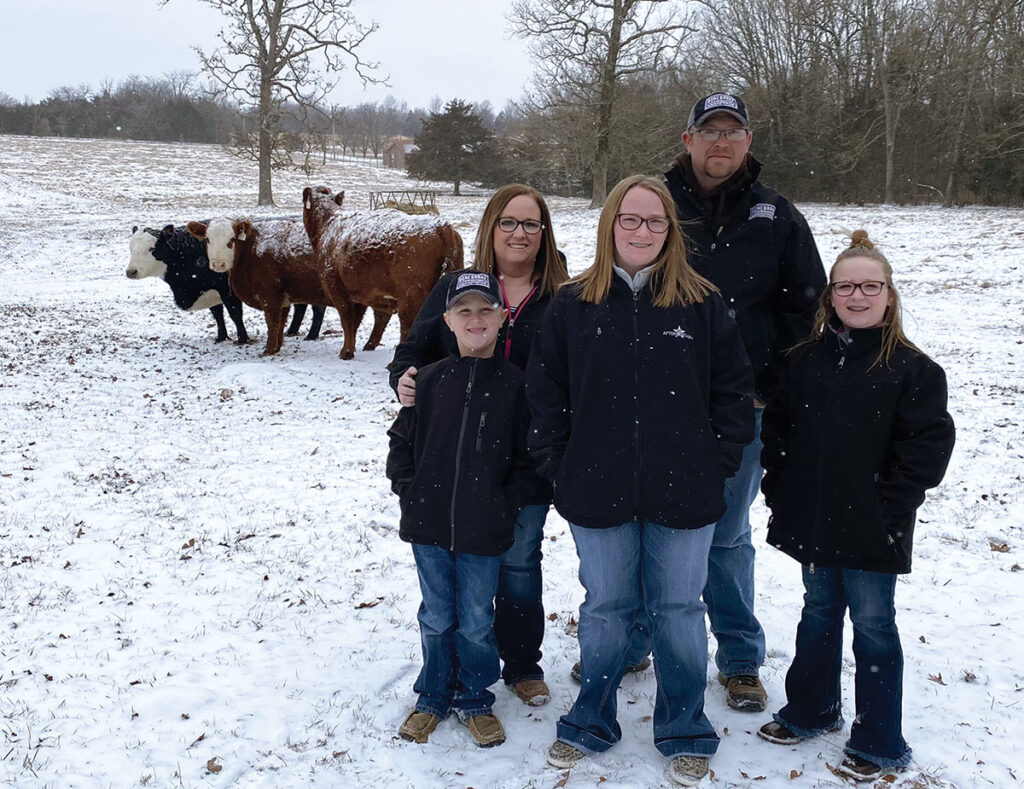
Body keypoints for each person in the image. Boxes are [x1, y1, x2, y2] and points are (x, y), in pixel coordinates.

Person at [527, 175, 755, 787]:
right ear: (610, 225)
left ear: (670, 231)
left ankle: (683, 727)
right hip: (596, 489)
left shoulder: (701, 303)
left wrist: (718, 460)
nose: (642, 231)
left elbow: (733, 394)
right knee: (606, 607)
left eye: (655, 222)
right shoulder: (572, 305)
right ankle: (589, 721)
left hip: (685, 491)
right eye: (630, 219)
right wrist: (559, 464)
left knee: (680, 609)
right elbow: (545, 394)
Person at [756, 231, 955, 781]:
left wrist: (890, 507)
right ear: (829, 297)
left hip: (874, 529)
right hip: (814, 522)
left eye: (871, 285)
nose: (858, 296)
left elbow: (925, 449)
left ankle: (877, 740)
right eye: (846, 286)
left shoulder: (914, 371)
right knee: (817, 611)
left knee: (873, 625)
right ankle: (812, 708)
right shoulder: (804, 362)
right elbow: (778, 435)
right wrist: (783, 493)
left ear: (889, 295)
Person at [662, 92, 827, 711]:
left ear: (748, 142)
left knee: (727, 534)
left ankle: (737, 658)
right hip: (662, 402)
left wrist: (771, 387)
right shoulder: (654, 206)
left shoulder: (775, 214)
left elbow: (806, 303)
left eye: (733, 132)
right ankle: (635, 639)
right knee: (654, 526)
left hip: (744, 409)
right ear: (688, 140)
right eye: (710, 131)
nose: (721, 142)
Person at [389, 184, 570, 707]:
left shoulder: (560, 295)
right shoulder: (458, 288)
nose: (519, 233)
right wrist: (403, 376)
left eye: (530, 224)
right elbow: (413, 349)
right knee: (460, 577)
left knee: (518, 563)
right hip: (460, 462)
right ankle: (458, 670)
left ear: (544, 232)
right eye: (508, 222)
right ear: (491, 227)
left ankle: (520, 662)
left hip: (527, 456)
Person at [386, 270, 539, 748]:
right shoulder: (428, 382)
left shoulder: (518, 387)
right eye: (464, 311)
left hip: (485, 531)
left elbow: (530, 459)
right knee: (436, 615)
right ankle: (432, 694)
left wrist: (503, 503)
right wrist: (409, 490)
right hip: (428, 526)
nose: (476, 319)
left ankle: (474, 695)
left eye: (485, 310)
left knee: (475, 617)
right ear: (448, 320)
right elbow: (401, 441)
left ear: (502, 318)